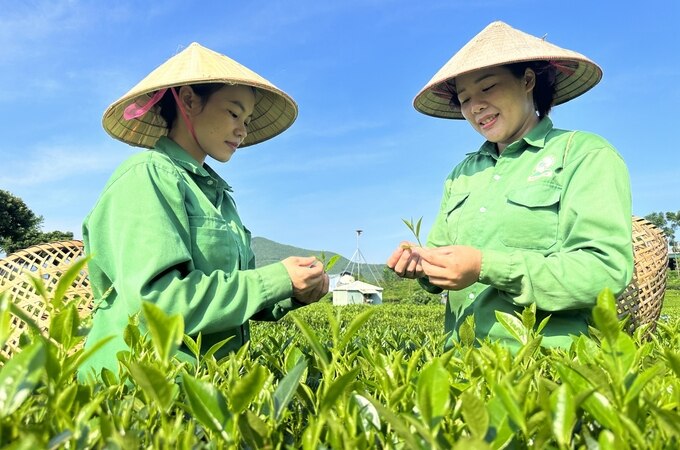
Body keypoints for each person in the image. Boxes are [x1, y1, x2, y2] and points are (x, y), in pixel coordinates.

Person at [80, 43, 329, 380]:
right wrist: (277, 278)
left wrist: (294, 291)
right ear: (188, 100)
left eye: (247, 119)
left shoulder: (218, 195)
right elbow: (157, 303)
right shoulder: (146, 176)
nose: (242, 128)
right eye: (233, 113)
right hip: (141, 390)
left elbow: (237, 290)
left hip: (206, 386)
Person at [387, 21, 633, 351]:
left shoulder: (584, 154)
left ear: (527, 81)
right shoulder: (462, 174)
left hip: (548, 368)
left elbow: (605, 272)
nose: (475, 107)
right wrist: (420, 264)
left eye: (487, 88)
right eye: (465, 99)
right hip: (462, 365)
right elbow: (441, 262)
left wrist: (485, 266)